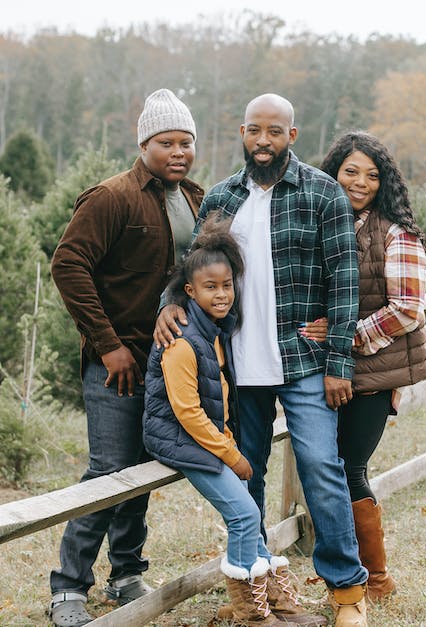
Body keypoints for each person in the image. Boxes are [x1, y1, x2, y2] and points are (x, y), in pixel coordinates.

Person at [155, 93, 369, 627]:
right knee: (245, 474)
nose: (263, 141)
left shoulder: (322, 194)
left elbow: (344, 282)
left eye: (275, 132)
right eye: (254, 131)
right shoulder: (221, 199)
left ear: (292, 136)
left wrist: (339, 359)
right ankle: (252, 595)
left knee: (322, 468)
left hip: (304, 361)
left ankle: (348, 593)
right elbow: (195, 272)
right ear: (243, 132)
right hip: (236, 367)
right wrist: (168, 307)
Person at [47, 88, 202, 627]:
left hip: (166, 364)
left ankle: (127, 574)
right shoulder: (111, 197)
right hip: (118, 363)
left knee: (144, 468)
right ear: (143, 144)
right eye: (166, 142)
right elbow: (68, 265)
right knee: (109, 470)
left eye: (186, 142)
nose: (178, 152)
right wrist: (108, 344)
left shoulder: (195, 199)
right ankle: (68, 586)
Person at [142, 217, 299, 627]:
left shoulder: (217, 328)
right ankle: (251, 613)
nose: (222, 293)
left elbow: (221, 400)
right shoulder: (181, 339)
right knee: (245, 516)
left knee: (249, 511)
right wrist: (232, 454)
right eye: (210, 287)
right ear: (190, 291)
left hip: (207, 437)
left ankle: (269, 597)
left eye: (227, 284)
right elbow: (188, 412)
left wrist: (228, 443)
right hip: (180, 439)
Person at [305, 131, 426, 603]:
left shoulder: (394, 233)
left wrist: (344, 338)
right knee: (325, 467)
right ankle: (344, 572)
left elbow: (406, 309)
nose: (360, 182)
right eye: (351, 171)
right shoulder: (325, 223)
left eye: (372, 175)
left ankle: (374, 579)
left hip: (370, 372)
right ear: (332, 172)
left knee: (348, 468)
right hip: (329, 370)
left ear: (385, 184)